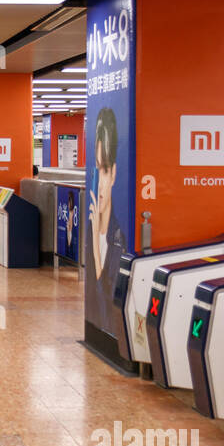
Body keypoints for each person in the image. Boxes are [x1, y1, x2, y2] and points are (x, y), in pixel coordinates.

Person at [86, 107, 127, 342]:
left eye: (105, 170)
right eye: (97, 169)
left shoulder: (120, 238)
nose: (100, 184)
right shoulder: (92, 234)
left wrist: (96, 254)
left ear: (113, 174)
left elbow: (109, 309)